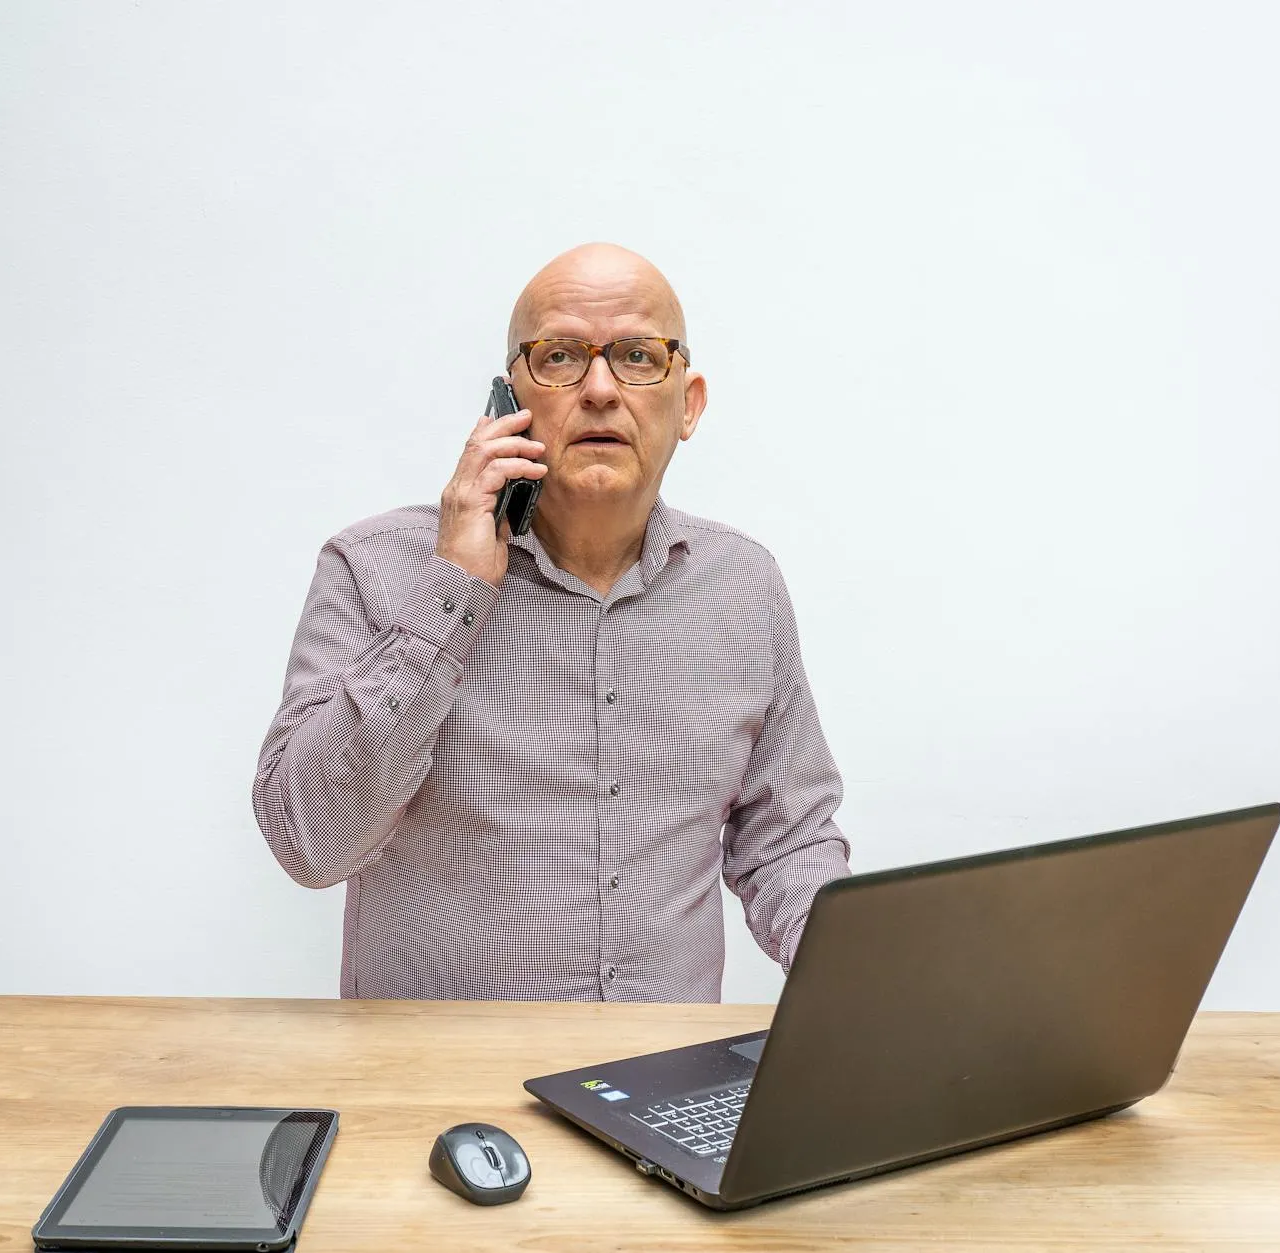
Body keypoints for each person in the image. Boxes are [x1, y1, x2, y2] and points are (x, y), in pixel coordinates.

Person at [252, 243, 851, 1000]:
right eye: (562, 356)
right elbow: (310, 841)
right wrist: (455, 587)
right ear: (509, 401)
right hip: (440, 1087)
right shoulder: (373, 568)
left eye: (638, 355)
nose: (600, 388)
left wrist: (869, 990)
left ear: (688, 402)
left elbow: (786, 841)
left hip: (656, 1089)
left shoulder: (744, 584)